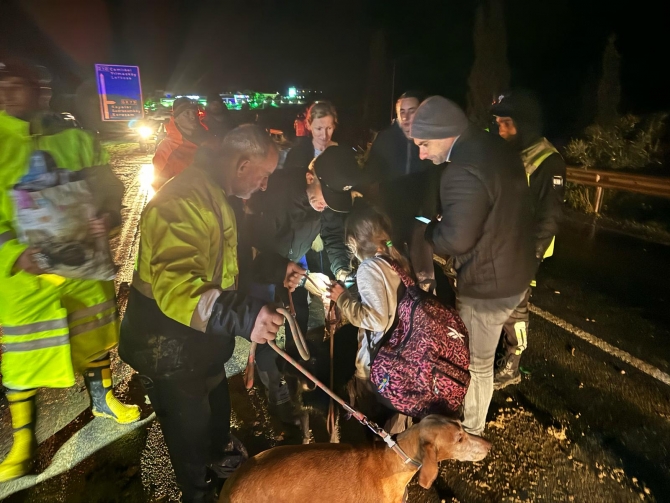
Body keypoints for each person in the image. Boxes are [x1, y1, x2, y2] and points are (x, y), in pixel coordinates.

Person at [119, 125, 299, 503]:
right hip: (168, 351)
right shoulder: (182, 202)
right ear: (242, 164)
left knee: (215, 416)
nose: (265, 185)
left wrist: (276, 267)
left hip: (200, 346)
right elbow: (179, 289)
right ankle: (199, 493)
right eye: (264, 175)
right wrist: (246, 318)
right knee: (191, 441)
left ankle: (220, 460)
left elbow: (231, 260)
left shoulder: (217, 195)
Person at [0, 60, 140, 482]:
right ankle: (23, 440)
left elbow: (108, 189)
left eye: (17, 84)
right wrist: (13, 255)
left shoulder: (79, 139)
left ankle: (103, 399)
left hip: (83, 270)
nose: (8, 93)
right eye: (2, 86)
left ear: (41, 90)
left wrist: (109, 216)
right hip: (26, 282)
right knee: (21, 364)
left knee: (95, 340)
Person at [411, 96, 538, 436]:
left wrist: (430, 231)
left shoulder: (460, 171)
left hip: (487, 286)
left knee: (478, 364)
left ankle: (470, 434)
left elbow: (456, 239)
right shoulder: (494, 147)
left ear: (444, 133)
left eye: (423, 144)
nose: (422, 153)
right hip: (515, 273)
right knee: (483, 355)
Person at [244, 145, 362, 423]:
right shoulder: (274, 194)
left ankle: (295, 373)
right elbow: (251, 248)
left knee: (298, 322)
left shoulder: (326, 200)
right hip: (263, 270)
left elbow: (332, 235)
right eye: (326, 196)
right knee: (265, 330)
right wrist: (281, 268)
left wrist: (342, 272)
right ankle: (276, 389)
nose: (327, 204)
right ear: (311, 178)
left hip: (293, 267)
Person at [491, 90, 566, 389]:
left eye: (506, 123)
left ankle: (512, 363)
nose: (501, 130)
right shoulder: (512, 151)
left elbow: (549, 217)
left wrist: (530, 257)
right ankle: (498, 351)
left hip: (525, 250)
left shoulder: (549, 161)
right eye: (498, 123)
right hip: (502, 243)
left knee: (516, 310)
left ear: (524, 123)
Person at [325, 201, 406, 427]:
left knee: (374, 425)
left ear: (353, 241)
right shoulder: (397, 257)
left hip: (377, 363)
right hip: (399, 357)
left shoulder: (369, 268)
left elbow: (376, 320)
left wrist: (341, 298)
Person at [366, 90, 439, 293]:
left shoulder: (428, 139)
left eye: (412, 111)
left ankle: (428, 307)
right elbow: (371, 176)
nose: (406, 117)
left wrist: (428, 213)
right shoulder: (385, 139)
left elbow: (435, 176)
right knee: (395, 267)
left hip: (420, 216)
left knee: (423, 270)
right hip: (392, 217)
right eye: (402, 111)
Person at [152, 97, 210, 190]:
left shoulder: (208, 141)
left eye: (195, 112)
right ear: (176, 119)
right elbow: (160, 186)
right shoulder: (167, 148)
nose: (192, 117)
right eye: (187, 113)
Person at [283, 101, 338, 172]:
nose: (324, 135)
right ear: (308, 125)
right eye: (319, 129)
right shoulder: (296, 154)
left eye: (329, 128)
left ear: (334, 126)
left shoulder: (342, 153)